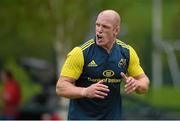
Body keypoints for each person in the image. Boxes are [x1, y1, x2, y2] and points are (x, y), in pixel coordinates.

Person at [56, 9, 149, 120]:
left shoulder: (127, 52)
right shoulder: (80, 53)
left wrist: (136, 84)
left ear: (116, 30)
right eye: (97, 25)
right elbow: (61, 87)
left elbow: (144, 83)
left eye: (105, 27)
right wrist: (85, 91)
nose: (99, 30)